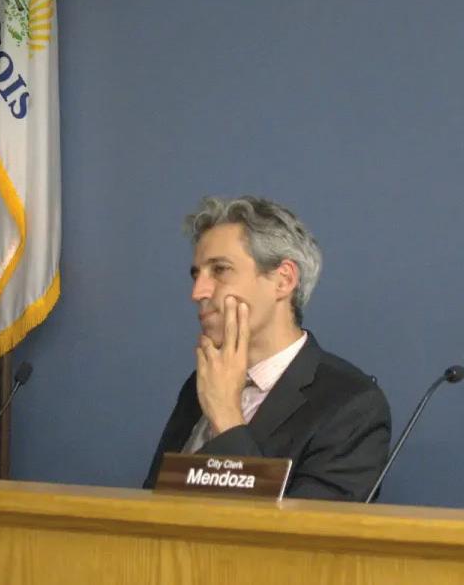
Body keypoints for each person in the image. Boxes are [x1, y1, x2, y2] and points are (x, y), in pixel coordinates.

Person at [144, 196, 391, 501]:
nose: (198, 292)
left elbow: (302, 530)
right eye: (197, 275)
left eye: (220, 270)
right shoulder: (199, 385)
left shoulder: (351, 406)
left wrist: (226, 416)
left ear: (283, 280)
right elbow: (153, 505)